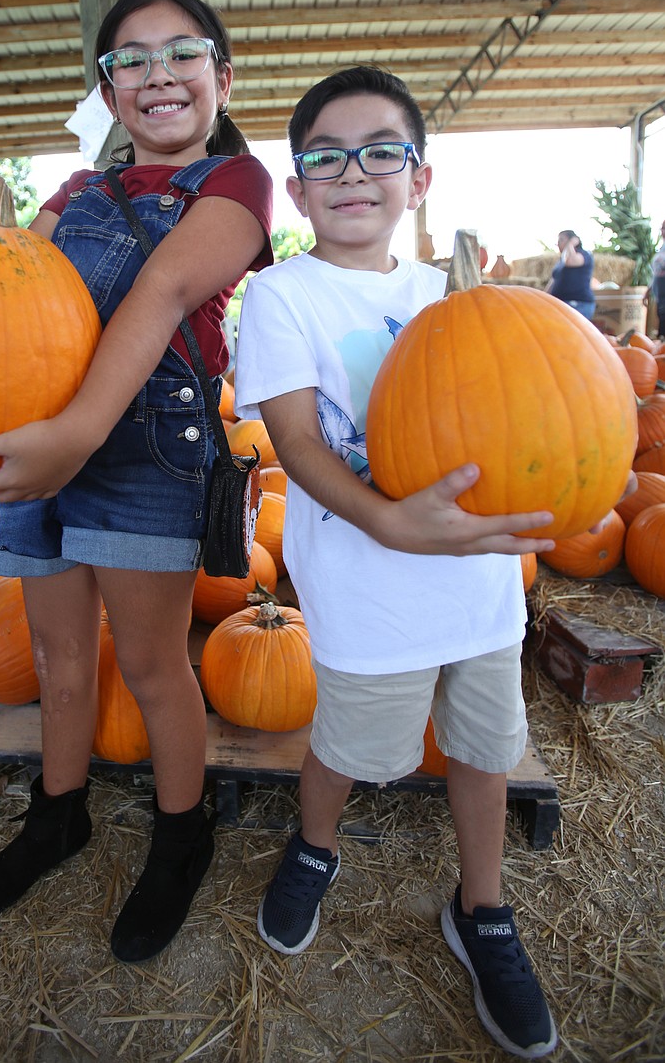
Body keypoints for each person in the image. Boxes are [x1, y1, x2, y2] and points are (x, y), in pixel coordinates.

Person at [0, 0, 273, 963]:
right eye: (130, 59)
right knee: (54, 658)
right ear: (107, 89)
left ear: (221, 75)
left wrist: (78, 432)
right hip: (47, 447)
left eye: (182, 53)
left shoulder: (237, 186)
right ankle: (59, 815)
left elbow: (167, 287)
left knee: (148, 666)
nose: (157, 74)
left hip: (140, 453)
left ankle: (181, 837)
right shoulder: (72, 196)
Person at [232, 66, 562, 1059]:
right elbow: (297, 447)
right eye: (324, 157)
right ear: (297, 192)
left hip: (478, 591)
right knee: (349, 746)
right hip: (368, 589)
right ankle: (314, 845)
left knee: (481, 750)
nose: (353, 172)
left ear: (418, 178)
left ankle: (483, 910)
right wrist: (390, 522)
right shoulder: (282, 295)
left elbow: (526, 414)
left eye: (381, 150)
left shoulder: (457, 299)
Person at [546, 229, 595, 320]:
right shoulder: (561, 261)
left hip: (578, 303)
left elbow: (570, 261)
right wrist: (544, 297)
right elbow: (553, 280)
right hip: (560, 303)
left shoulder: (584, 254)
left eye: (561, 240)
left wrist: (571, 243)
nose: (558, 243)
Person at [646, 217, 665, 338]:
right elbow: (656, 273)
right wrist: (648, 290)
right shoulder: (662, 249)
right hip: (660, 293)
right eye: (662, 228)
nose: (663, 231)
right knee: (661, 316)